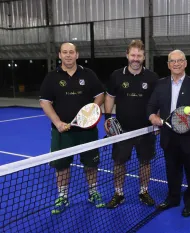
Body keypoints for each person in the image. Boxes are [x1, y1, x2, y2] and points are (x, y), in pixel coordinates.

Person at [39, 42, 105, 214]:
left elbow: (100, 96)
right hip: (62, 132)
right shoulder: (52, 77)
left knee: (91, 164)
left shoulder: (88, 74)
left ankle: (93, 192)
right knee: (61, 166)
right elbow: (45, 102)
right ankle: (63, 196)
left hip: (87, 131)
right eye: (64, 52)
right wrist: (58, 122)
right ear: (59, 55)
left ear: (77, 55)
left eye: (71, 52)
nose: (68, 55)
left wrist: (91, 112)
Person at [147, 50, 190, 217]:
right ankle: (173, 198)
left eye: (180, 60)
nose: (176, 64)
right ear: (168, 65)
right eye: (172, 61)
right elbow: (151, 106)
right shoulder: (160, 84)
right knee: (172, 171)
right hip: (169, 137)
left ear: (185, 63)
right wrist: (152, 116)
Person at [104, 39, 159, 208]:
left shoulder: (152, 77)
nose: (136, 58)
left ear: (144, 57)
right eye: (133, 55)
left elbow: (157, 101)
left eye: (139, 55)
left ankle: (143, 191)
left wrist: (156, 122)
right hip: (122, 130)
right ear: (127, 55)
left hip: (146, 130)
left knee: (145, 162)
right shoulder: (116, 75)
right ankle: (119, 193)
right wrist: (108, 118)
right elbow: (110, 97)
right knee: (119, 163)